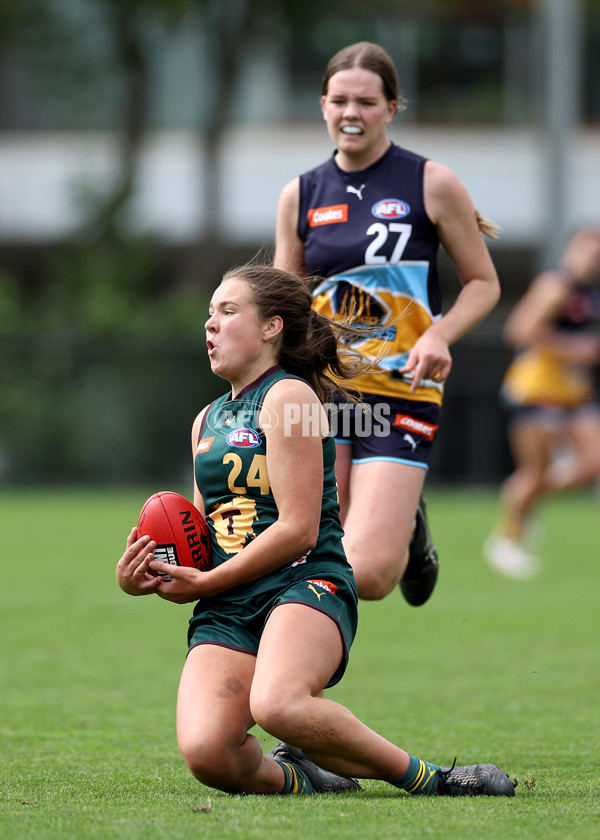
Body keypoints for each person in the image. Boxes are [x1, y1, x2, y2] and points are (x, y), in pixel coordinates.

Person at [116, 263, 516, 798]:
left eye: (227, 311)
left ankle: (433, 779)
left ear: (271, 327)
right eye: (209, 314)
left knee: (277, 703)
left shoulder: (291, 399)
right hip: (231, 602)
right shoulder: (205, 420)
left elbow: (300, 531)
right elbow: (207, 539)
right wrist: (154, 573)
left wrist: (205, 584)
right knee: (209, 755)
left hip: (304, 584)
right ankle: (305, 776)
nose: (209, 325)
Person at [273, 41, 501, 606]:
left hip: (401, 388)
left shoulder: (431, 182)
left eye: (367, 102)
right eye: (340, 100)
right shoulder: (300, 194)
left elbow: (484, 284)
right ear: (323, 104)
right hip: (327, 393)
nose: (352, 113)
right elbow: (281, 304)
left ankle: (409, 529)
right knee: (320, 558)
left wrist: (440, 334)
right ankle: (295, 680)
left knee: (370, 575)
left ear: (392, 108)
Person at [484, 226, 600, 579]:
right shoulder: (557, 284)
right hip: (536, 389)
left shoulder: (589, 290)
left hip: (572, 391)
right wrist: (573, 348)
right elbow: (519, 330)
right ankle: (507, 538)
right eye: (589, 249)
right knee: (535, 471)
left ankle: (526, 502)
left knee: (591, 464)